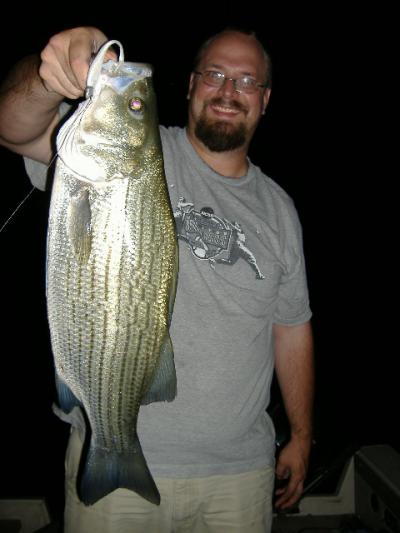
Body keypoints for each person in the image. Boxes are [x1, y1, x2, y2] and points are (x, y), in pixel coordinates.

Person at [0, 26, 314, 533]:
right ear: (190, 86)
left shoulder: (279, 209)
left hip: (239, 472)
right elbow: (12, 127)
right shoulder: (135, 153)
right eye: (215, 74)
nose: (229, 90)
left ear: (265, 99)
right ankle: (112, 445)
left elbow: (292, 328)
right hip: (118, 453)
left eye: (246, 80)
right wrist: (50, 78)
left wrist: (301, 435)